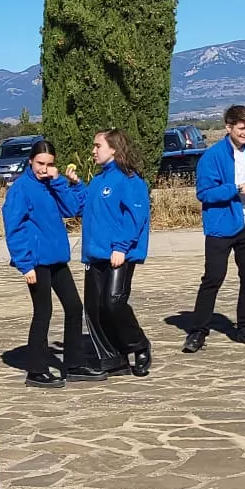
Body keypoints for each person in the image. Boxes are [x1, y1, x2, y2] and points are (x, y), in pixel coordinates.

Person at [1, 141, 93, 388]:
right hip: (37, 262)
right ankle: (36, 370)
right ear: (30, 161)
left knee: (74, 307)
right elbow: (14, 228)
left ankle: (73, 364)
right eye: (40, 163)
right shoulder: (21, 189)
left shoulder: (51, 184)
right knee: (44, 312)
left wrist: (67, 182)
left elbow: (73, 208)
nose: (44, 168)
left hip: (57, 259)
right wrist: (25, 264)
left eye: (49, 164)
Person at [65, 128, 152, 376]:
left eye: (97, 146)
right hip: (95, 254)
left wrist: (121, 247)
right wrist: (74, 185)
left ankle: (139, 344)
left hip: (118, 254)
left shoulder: (129, 180)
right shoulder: (98, 181)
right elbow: (79, 206)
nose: (93, 151)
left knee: (113, 302)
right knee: (95, 309)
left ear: (113, 149)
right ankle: (113, 358)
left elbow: (136, 217)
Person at [186, 105, 245, 353]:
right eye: (242, 128)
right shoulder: (212, 157)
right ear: (229, 127)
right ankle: (198, 330)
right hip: (220, 226)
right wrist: (235, 189)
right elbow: (204, 193)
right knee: (213, 278)